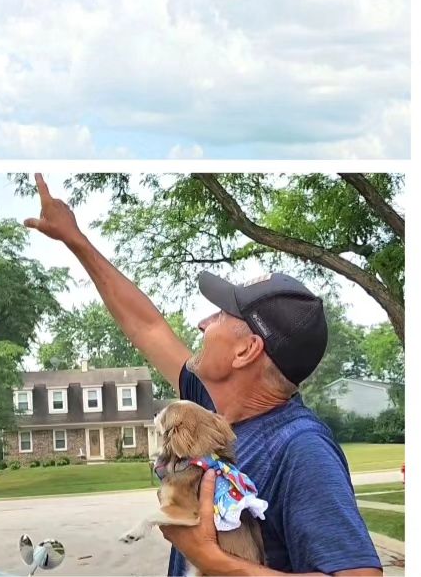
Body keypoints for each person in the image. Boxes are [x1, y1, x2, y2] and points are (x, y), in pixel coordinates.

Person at [26, 174, 383, 577]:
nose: (200, 322)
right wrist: (75, 239)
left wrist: (215, 561)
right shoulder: (211, 412)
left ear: (246, 351)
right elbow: (147, 327)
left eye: (220, 315)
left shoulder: (300, 448)